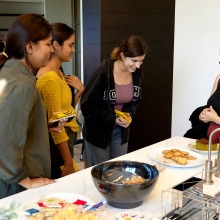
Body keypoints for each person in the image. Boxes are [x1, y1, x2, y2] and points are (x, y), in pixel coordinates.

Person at [0, 14, 55, 198]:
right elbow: (4, 140)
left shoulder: (8, 73)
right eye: (48, 44)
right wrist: (24, 180)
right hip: (16, 189)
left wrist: (42, 126)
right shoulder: (22, 85)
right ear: (30, 46)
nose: (51, 50)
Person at [80, 35, 148, 168]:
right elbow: (87, 106)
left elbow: (135, 100)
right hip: (97, 131)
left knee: (118, 169)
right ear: (122, 55)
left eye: (141, 61)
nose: (138, 66)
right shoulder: (103, 72)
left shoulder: (137, 74)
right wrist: (112, 118)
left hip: (120, 131)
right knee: (100, 172)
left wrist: (128, 113)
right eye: (134, 61)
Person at [36, 23, 84, 179]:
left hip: (66, 139)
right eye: (70, 45)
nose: (73, 49)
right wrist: (69, 162)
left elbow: (65, 110)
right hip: (57, 148)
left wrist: (79, 92)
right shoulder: (50, 78)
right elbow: (56, 126)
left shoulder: (58, 72)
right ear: (56, 45)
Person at [199, 74, 220, 142]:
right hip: (212, 138)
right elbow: (211, 105)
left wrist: (215, 118)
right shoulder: (219, 77)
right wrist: (204, 115)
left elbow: (214, 117)